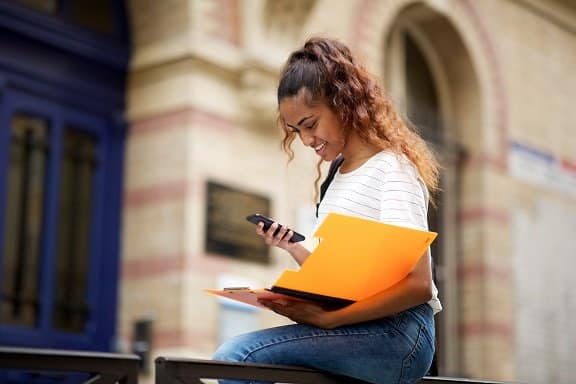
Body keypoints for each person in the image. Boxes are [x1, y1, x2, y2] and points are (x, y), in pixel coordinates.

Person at [213, 36, 442, 384]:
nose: (305, 140)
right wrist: (293, 249)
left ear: (343, 102)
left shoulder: (392, 169)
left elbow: (419, 285)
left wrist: (330, 320)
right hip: (359, 327)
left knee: (236, 357)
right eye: (295, 130)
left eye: (310, 124)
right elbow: (343, 280)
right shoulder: (335, 176)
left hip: (399, 335)